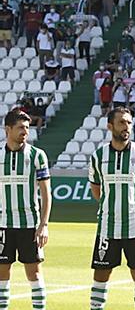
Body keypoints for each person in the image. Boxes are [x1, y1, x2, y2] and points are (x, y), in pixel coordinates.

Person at [88, 107, 135, 310]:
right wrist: (111, 208)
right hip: (107, 226)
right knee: (101, 273)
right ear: (110, 126)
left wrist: (133, 209)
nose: (126, 127)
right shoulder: (98, 156)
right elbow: (96, 190)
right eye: (121, 122)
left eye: (129, 122)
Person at [0, 110, 51, 310]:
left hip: (30, 225)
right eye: (21, 127)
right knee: (2, 273)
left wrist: (44, 225)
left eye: (27, 128)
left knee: (34, 273)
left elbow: (47, 194)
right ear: (8, 129)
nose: (25, 132)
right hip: (3, 224)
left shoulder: (37, 156)